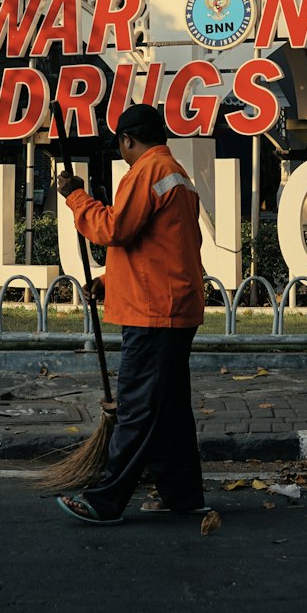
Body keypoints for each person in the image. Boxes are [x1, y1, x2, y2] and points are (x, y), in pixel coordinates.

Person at [54, 103, 206, 524]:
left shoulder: (146, 173)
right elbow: (157, 249)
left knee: (137, 409)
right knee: (170, 409)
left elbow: (113, 229)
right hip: (173, 306)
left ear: (126, 140)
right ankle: (184, 495)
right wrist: (108, 281)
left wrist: (75, 196)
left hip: (155, 314)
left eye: (119, 143)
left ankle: (105, 499)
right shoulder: (176, 174)